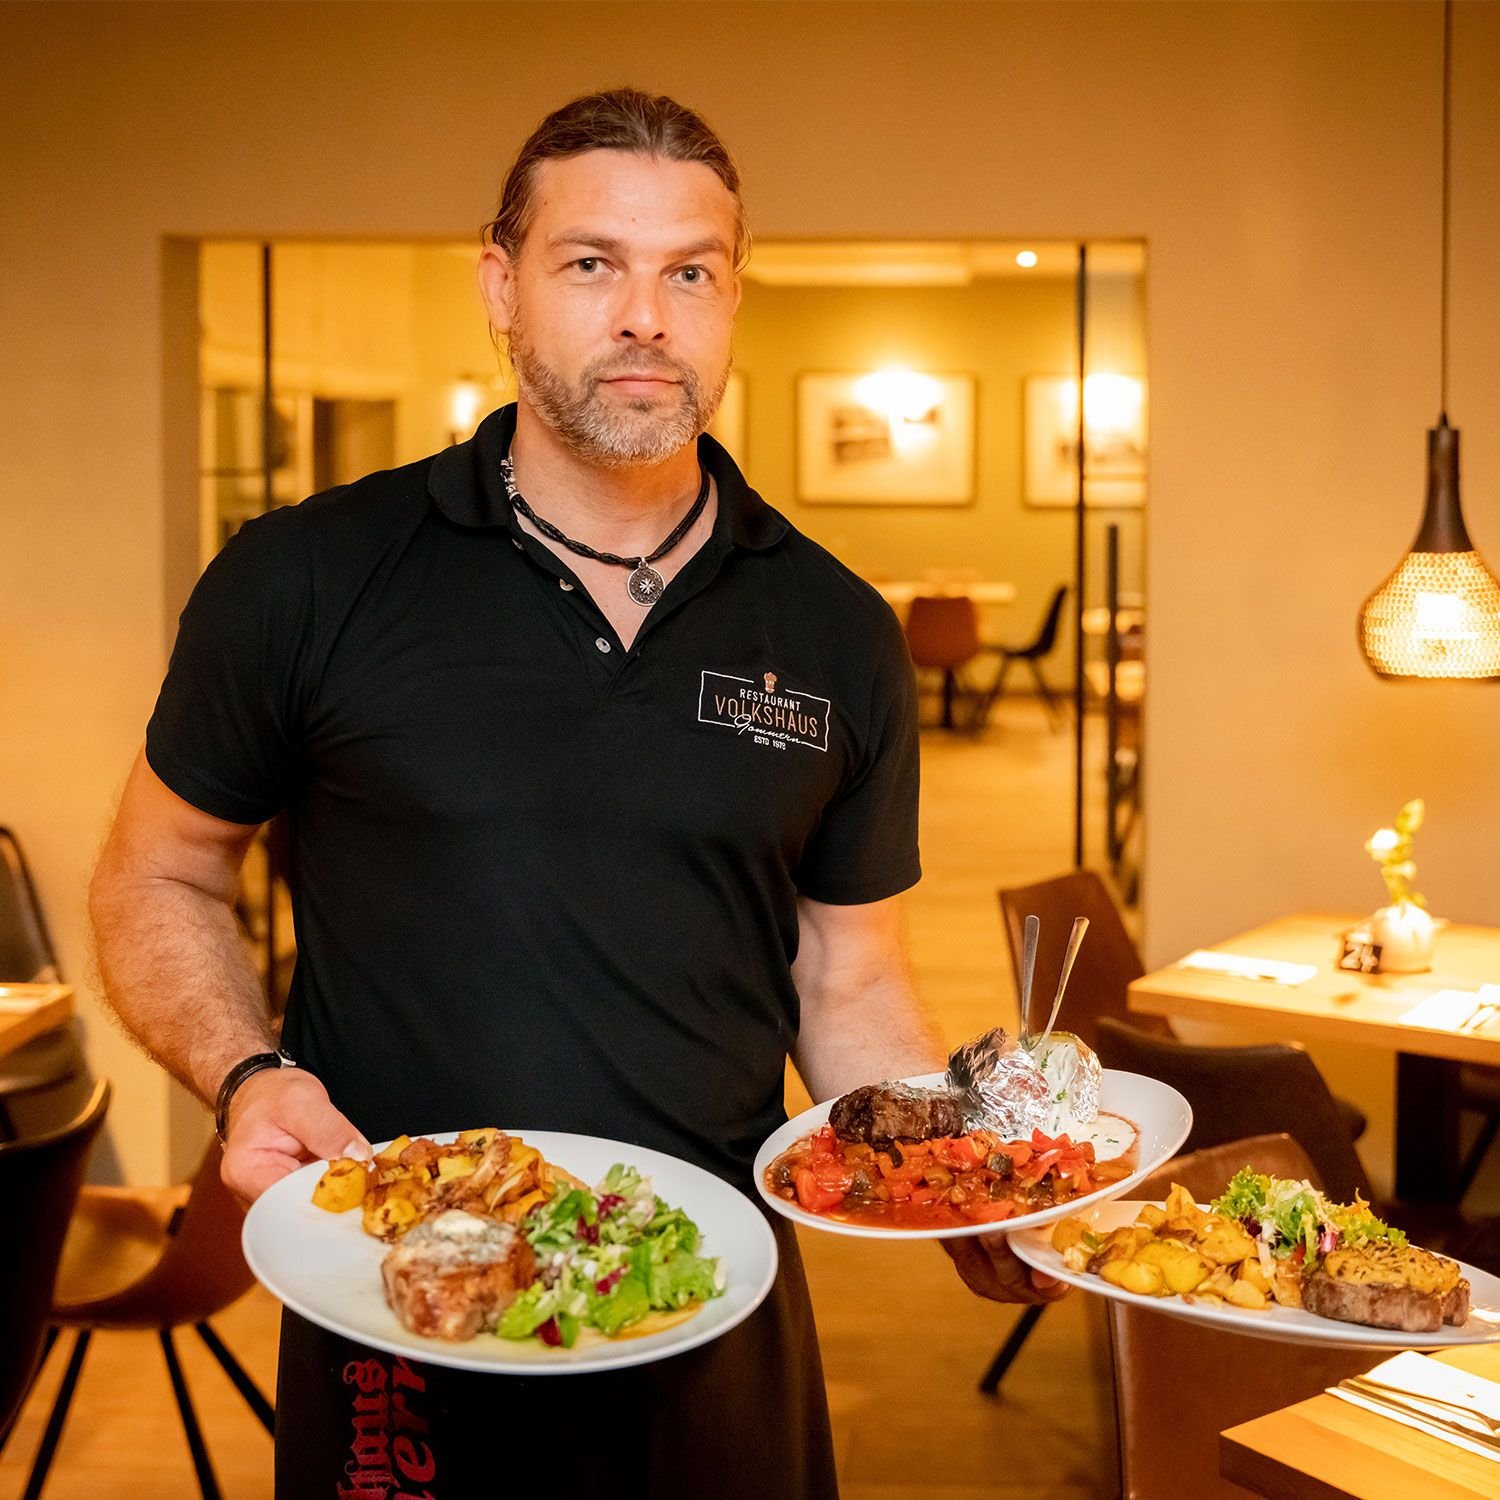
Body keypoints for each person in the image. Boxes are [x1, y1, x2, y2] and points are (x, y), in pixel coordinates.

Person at [90, 87, 1061, 1499]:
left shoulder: (840, 629)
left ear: (733, 302)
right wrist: (246, 1074)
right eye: (592, 263)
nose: (646, 316)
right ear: (502, 286)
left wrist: (947, 1175)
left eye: (691, 272)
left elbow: (848, 979)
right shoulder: (308, 577)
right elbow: (154, 873)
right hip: (393, 1308)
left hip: (709, 1296)